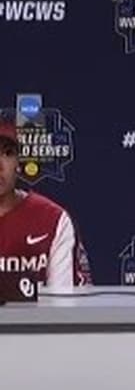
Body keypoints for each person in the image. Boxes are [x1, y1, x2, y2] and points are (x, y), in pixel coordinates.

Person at [0, 118, 92, 292]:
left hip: (35, 320)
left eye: (7, 153)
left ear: (18, 164)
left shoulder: (53, 220)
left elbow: (64, 305)